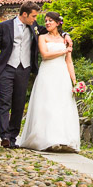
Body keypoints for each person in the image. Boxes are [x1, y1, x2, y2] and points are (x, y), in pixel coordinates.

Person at [0, 2, 72, 148]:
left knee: (19, 105)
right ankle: (5, 136)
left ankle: (13, 137)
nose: (35, 19)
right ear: (24, 14)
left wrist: (66, 34)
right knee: (5, 102)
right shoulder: (4, 26)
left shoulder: (34, 26)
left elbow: (53, 30)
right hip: (6, 68)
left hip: (24, 69)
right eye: (33, 16)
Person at [18, 11, 81, 152]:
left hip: (62, 75)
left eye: (50, 21)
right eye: (46, 20)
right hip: (47, 74)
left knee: (62, 106)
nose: (47, 23)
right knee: (47, 106)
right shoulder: (42, 37)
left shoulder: (65, 39)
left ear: (58, 23)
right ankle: (47, 139)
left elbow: (69, 62)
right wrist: (64, 51)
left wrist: (74, 81)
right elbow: (45, 55)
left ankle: (63, 139)